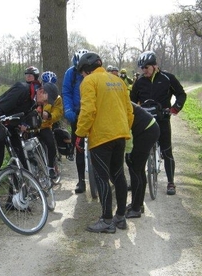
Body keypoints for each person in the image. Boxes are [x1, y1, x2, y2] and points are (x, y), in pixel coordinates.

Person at [74, 52, 133, 233]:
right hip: (120, 134)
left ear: (85, 70)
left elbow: (88, 110)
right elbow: (129, 110)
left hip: (101, 138)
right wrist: (124, 128)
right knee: (119, 176)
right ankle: (120, 217)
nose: (82, 76)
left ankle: (107, 220)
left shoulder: (89, 81)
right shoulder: (118, 81)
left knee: (101, 178)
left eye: (82, 73)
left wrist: (80, 133)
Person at [0, 66, 40, 215]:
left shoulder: (34, 100)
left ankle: (13, 200)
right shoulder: (22, 89)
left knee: (21, 161)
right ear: (41, 90)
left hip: (11, 127)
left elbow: (25, 114)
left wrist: (24, 124)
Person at [130, 51, 186, 196]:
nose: (144, 71)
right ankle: (137, 179)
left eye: (146, 68)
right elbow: (130, 101)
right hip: (144, 123)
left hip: (162, 119)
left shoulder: (167, 78)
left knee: (167, 151)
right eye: (142, 68)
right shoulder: (139, 82)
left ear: (155, 66)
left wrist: (175, 108)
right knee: (138, 152)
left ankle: (171, 182)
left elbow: (181, 93)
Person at [125, 102, 160, 218]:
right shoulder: (119, 98)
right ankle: (138, 205)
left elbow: (127, 129)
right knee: (138, 170)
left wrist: (128, 151)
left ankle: (136, 209)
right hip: (149, 127)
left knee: (135, 168)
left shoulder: (117, 103)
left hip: (147, 130)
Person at [62, 49, 89, 194]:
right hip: (76, 112)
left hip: (91, 112)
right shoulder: (70, 74)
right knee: (78, 145)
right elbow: (66, 92)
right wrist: (68, 110)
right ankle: (81, 180)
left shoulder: (93, 72)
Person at [36, 71, 63, 179]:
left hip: (45, 125)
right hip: (33, 127)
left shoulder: (57, 98)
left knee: (51, 144)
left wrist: (49, 115)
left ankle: (51, 167)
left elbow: (58, 112)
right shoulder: (36, 93)